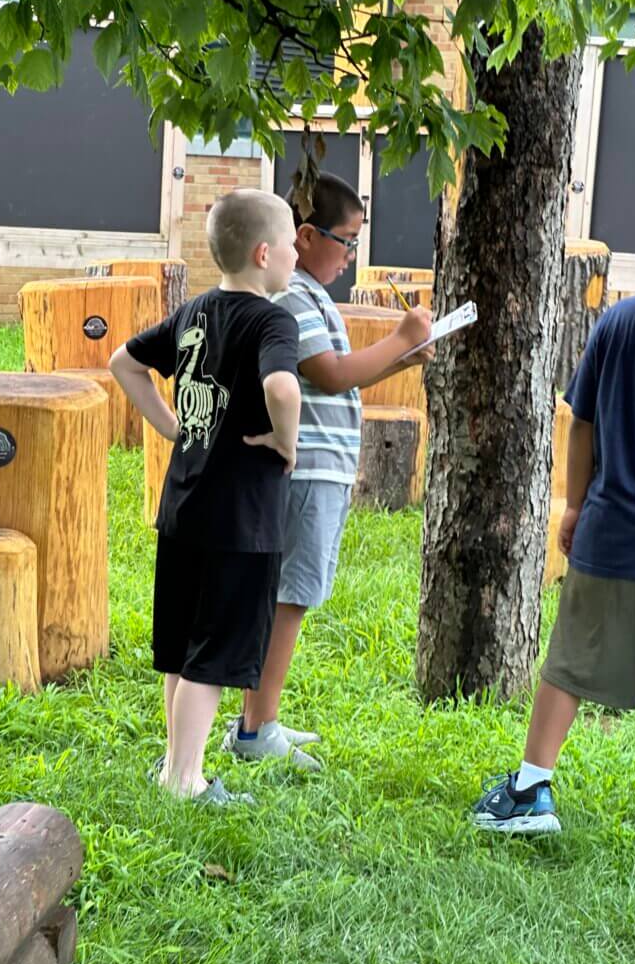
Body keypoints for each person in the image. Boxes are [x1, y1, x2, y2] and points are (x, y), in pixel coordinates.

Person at [472, 181, 635, 834]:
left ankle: (532, 789)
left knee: (568, 664)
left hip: (609, 532)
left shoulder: (618, 321)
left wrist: (573, 506)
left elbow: (581, 421)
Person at [222, 171, 434, 769]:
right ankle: (255, 730)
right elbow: (330, 372)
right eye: (347, 240)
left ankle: (257, 721)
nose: (351, 255)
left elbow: (344, 372)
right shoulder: (292, 295)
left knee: (288, 595)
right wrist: (400, 337)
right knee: (290, 597)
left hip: (322, 469)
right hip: (308, 471)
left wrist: (400, 358)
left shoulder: (309, 294)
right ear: (307, 236)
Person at [110, 188, 301, 806]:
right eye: (293, 245)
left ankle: (174, 766)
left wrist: (169, 425)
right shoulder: (273, 320)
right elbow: (283, 387)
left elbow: (124, 362)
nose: (297, 255)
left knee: (182, 647)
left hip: (184, 507)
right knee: (212, 656)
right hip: (239, 522)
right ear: (264, 252)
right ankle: (186, 781)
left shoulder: (193, 311)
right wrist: (284, 440)